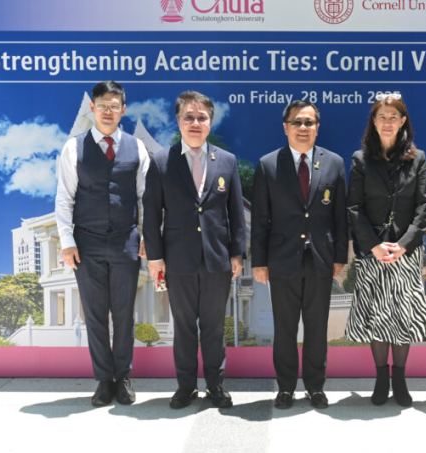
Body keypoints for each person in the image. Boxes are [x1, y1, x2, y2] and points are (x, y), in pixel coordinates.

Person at [143, 91, 245, 409]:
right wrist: (156, 258)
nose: (196, 122)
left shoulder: (226, 162)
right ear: (179, 121)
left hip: (217, 260)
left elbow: (236, 214)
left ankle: (216, 386)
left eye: (202, 117)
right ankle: (186, 387)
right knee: (185, 328)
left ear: (210, 122)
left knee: (213, 329)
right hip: (178, 260)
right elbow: (151, 212)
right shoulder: (162, 161)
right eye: (189, 116)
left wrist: (237, 253)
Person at [55, 80, 149, 407]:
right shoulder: (73, 148)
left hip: (126, 242)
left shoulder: (136, 148)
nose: (108, 111)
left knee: (124, 313)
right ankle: (104, 380)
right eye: (102, 105)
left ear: (123, 110)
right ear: (93, 108)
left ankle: (123, 377)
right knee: (95, 315)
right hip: (87, 243)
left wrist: (147, 236)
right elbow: (65, 198)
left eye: (115, 105)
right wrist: (67, 241)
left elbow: (144, 198)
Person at [251, 100, 348, 410]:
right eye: (297, 122)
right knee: (285, 329)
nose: (303, 128)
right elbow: (261, 219)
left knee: (317, 328)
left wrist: (340, 257)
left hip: (321, 259)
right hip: (281, 260)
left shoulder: (334, 163)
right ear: (286, 127)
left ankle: (316, 387)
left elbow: (340, 217)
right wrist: (259, 261)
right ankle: (286, 388)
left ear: (317, 127)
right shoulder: (268, 164)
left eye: (309, 122)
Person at [344, 93, 426, 407]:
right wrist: (374, 245)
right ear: (374, 121)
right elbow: (353, 207)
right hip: (373, 251)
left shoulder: (418, 158)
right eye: (382, 116)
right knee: (380, 317)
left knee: (402, 317)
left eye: (394, 116)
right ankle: (381, 379)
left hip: (406, 253)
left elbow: (423, 207)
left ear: (403, 121)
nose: (388, 122)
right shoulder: (360, 159)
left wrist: (404, 245)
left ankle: (400, 378)